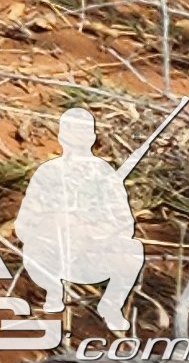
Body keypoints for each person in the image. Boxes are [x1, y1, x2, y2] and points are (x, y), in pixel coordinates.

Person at [16, 107, 147, 330]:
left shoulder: (105, 174)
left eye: (83, 134)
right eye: (71, 134)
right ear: (61, 137)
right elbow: (24, 224)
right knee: (40, 242)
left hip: (93, 254)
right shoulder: (48, 172)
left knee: (133, 250)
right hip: (52, 254)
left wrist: (92, 233)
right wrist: (55, 229)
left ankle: (111, 306)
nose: (77, 141)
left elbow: (124, 223)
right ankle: (51, 292)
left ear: (93, 138)